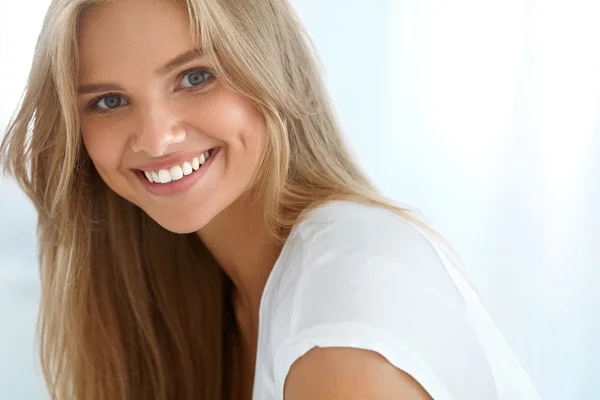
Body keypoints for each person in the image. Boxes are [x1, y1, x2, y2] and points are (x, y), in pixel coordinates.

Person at [0, 0, 541, 399]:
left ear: (271, 68)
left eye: (195, 76)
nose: (156, 137)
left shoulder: (344, 292)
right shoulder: (196, 291)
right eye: (109, 100)